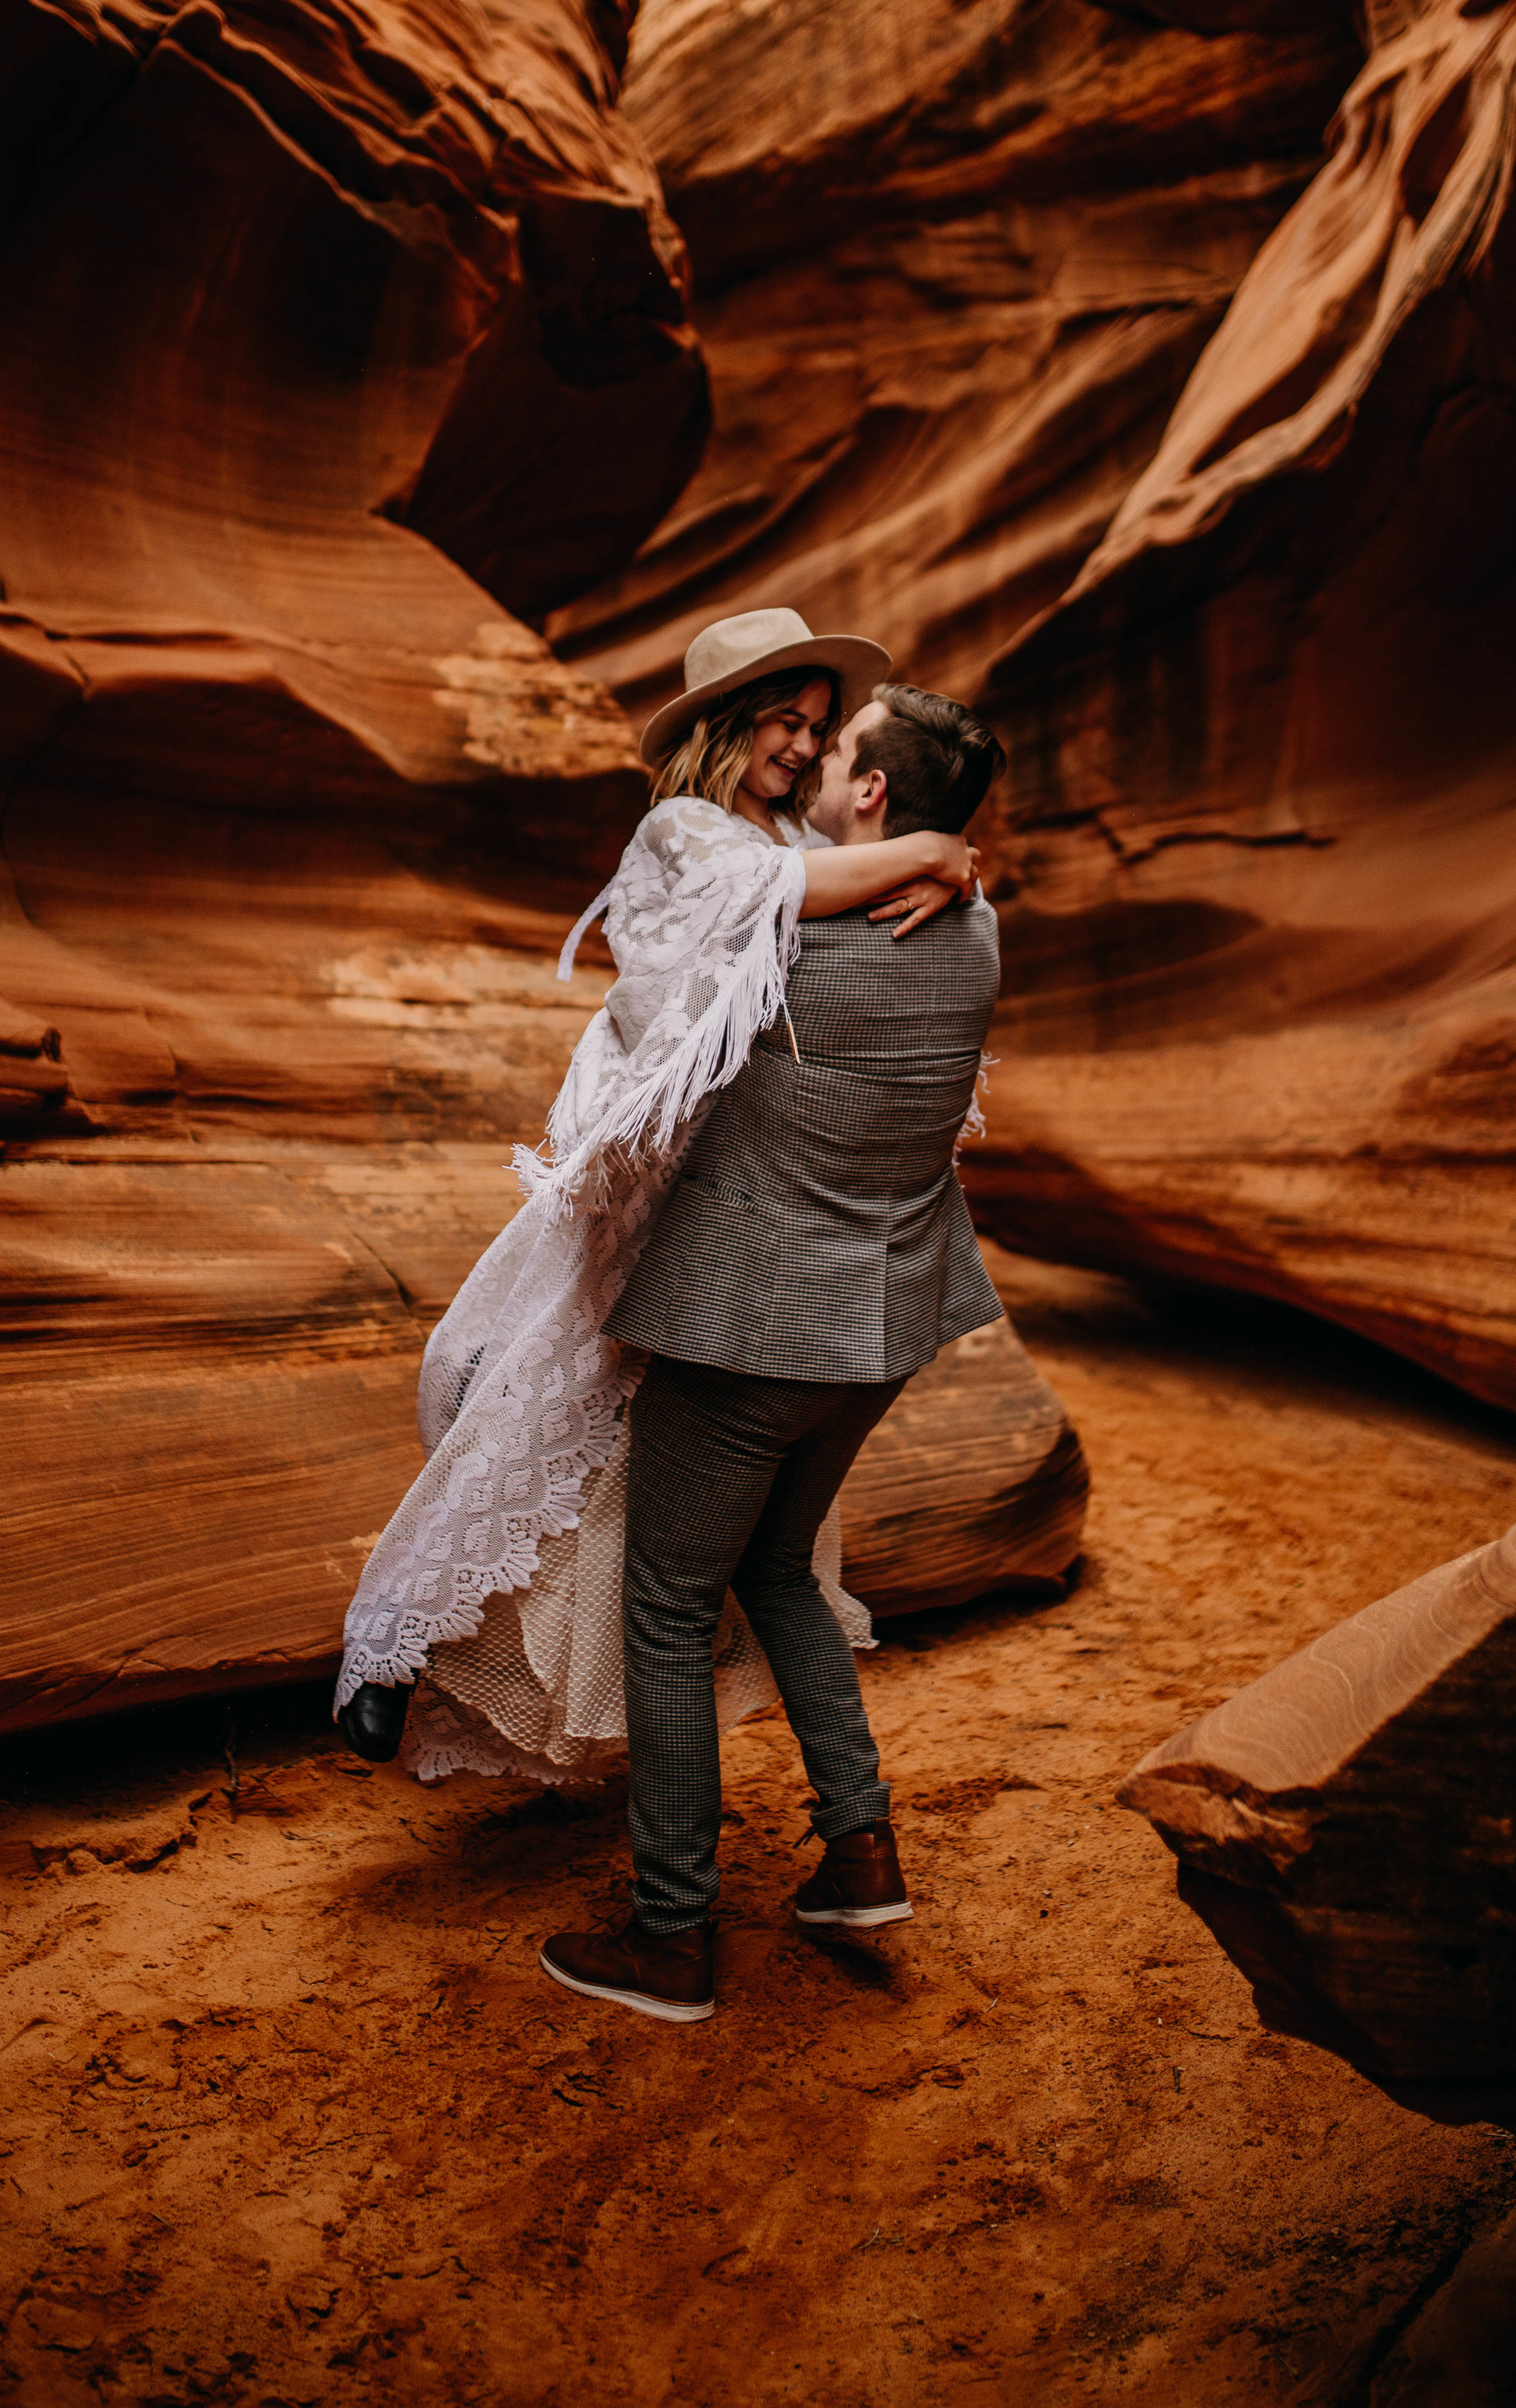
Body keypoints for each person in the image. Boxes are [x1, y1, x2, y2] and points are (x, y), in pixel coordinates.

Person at [334, 608, 982, 1794]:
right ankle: (397, 1631)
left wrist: (927, 859)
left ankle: (495, 1673)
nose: (801, 743)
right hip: (630, 1179)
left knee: (603, 1465)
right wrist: (933, 853)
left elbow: (820, 891)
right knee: (497, 1375)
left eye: (817, 727)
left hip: (727, 1202)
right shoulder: (684, 833)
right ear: (727, 724)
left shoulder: (799, 833)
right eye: (783, 720)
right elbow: (775, 896)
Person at [539, 673, 1007, 2025]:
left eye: (839, 745)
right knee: (779, 1570)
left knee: (670, 1606)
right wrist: (938, 851)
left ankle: (672, 1932)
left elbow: (683, 977)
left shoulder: (782, 929)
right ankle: (857, 1847)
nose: (810, 756)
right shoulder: (979, 932)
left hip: (753, 1324)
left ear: (866, 793)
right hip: (884, 1323)